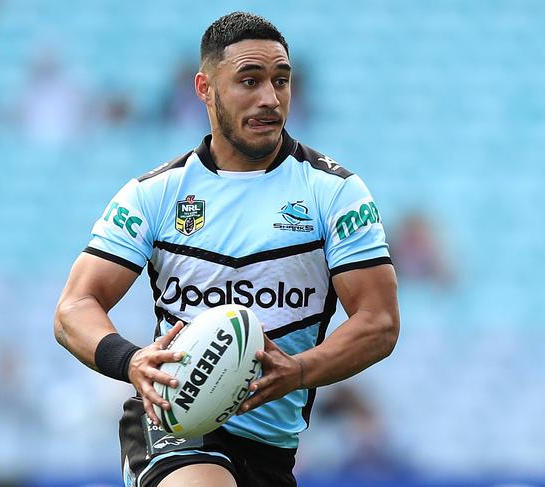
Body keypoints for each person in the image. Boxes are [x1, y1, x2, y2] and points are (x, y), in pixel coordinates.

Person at [54, 12, 400, 487]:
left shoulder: (335, 193)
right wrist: (130, 360)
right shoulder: (154, 194)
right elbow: (74, 306)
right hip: (175, 423)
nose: (270, 98)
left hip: (272, 450)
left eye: (281, 81)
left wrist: (298, 370)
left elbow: (378, 322)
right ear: (205, 88)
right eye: (249, 81)